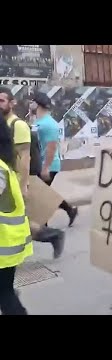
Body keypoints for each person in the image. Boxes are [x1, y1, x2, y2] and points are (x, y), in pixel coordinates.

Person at [0, 87, 64, 258]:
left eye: (2, 101)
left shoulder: (18, 125)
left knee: (18, 222)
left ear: (12, 103)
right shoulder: (3, 124)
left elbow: (24, 157)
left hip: (14, 182)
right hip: (4, 180)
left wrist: (23, 185)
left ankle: (51, 235)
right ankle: (52, 235)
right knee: (19, 221)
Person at [0, 112, 32, 315]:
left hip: (3, 246)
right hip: (7, 245)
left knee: (6, 295)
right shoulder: (5, 164)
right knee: (5, 294)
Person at [31, 92, 78, 226]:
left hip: (49, 165)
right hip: (41, 164)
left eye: (32, 102)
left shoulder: (49, 124)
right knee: (44, 194)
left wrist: (46, 167)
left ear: (37, 104)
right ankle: (70, 210)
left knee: (40, 196)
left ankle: (44, 226)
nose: (30, 104)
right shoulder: (39, 121)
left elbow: (52, 146)